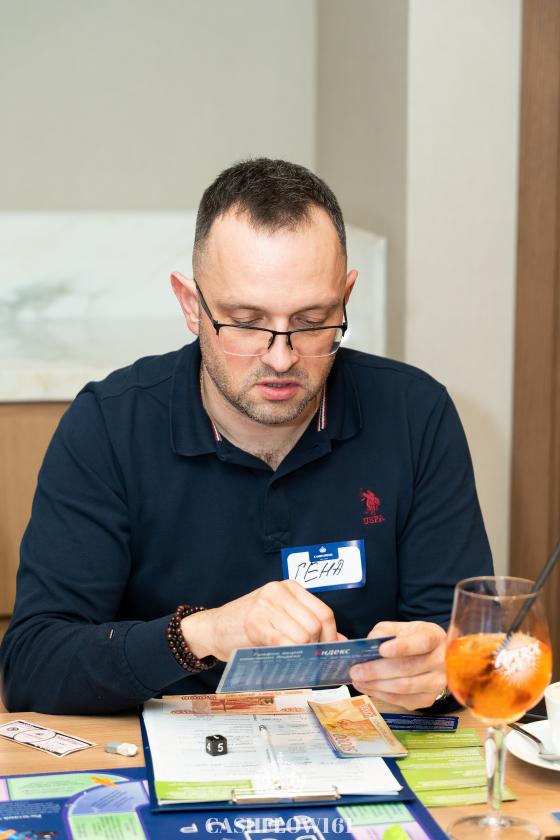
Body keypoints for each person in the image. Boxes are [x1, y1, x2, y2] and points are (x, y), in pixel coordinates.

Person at [0, 158, 492, 714]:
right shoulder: (109, 424)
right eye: (246, 321)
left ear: (345, 297)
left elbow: (469, 653)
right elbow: (33, 666)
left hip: (363, 743)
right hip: (157, 748)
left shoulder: (415, 413)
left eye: (311, 321)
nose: (281, 358)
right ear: (191, 306)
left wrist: (440, 674)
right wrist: (203, 634)